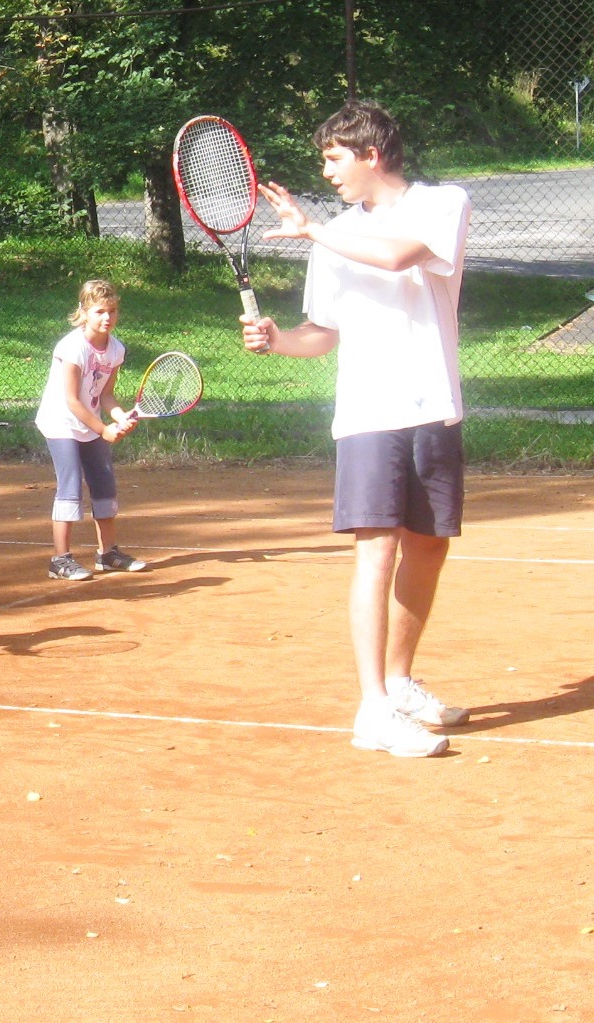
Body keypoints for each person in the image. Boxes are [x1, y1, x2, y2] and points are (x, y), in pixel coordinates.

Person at [249, 100, 472, 759]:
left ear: (372, 155)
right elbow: (323, 333)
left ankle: (399, 683)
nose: (327, 170)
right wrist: (278, 339)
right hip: (369, 416)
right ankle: (372, 707)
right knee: (376, 552)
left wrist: (316, 232)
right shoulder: (333, 235)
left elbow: (401, 256)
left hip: (433, 405)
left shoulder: (441, 204)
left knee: (428, 547)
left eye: (334, 157)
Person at [33, 279, 145, 581]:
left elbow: (105, 395)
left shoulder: (115, 349)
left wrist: (119, 417)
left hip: (89, 422)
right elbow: (71, 400)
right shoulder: (72, 347)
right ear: (84, 312)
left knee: (104, 484)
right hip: (61, 422)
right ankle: (60, 560)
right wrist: (103, 429)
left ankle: (108, 554)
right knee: (70, 486)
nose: (107, 317)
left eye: (112, 311)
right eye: (99, 311)